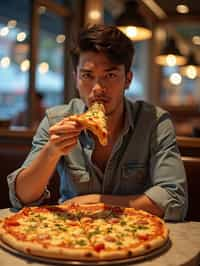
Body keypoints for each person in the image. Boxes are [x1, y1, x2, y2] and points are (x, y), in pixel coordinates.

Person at [7, 24, 188, 221]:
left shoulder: (154, 122)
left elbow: (175, 199)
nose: (98, 88)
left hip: (135, 231)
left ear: (128, 79)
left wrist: (96, 202)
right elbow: (21, 198)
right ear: (76, 78)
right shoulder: (56, 120)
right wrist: (52, 151)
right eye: (87, 76)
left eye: (110, 75)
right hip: (69, 233)